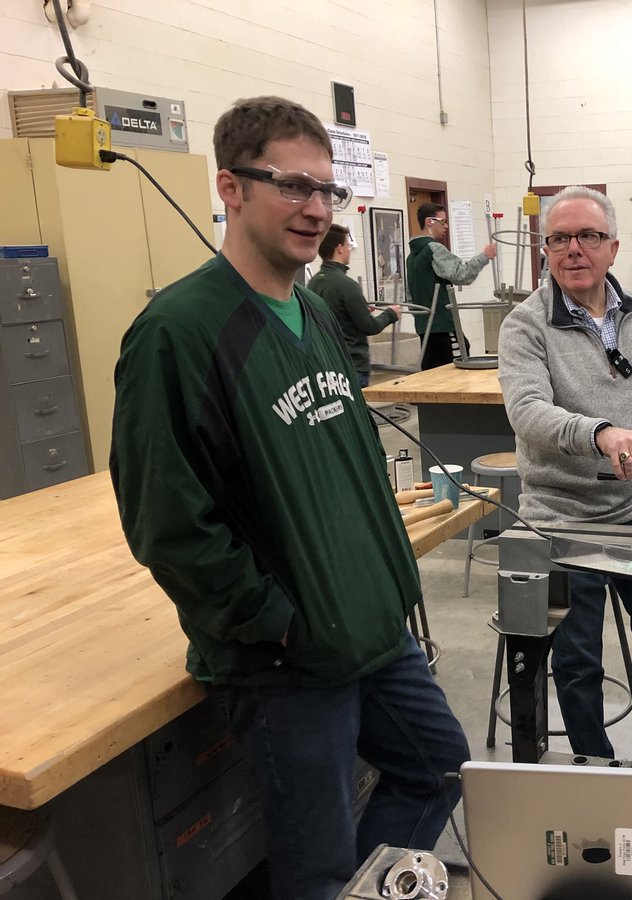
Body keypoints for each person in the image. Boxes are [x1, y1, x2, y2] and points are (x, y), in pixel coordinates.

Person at [109, 96, 470, 900]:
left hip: (372, 632)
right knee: (316, 865)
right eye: (292, 186)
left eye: (326, 191)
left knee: (441, 768)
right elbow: (165, 521)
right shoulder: (178, 331)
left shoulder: (308, 306)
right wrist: (271, 622)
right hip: (289, 665)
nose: (315, 209)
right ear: (230, 187)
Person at [497, 185, 632, 769]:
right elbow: (528, 412)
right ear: (546, 250)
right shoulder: (526, 325)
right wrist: (600, 433)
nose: (573, 249)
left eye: (587, 236)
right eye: (559, 238)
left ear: (613, 246)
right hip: (561, 519)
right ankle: (595, 767)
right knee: (579, 659)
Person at [308, 223, 403, 387]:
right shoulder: (347, 285)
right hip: (352, 364)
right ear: (339, 248)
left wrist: (359, 309)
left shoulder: (313, 283)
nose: (349, 249)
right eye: (347, 244)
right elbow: (369, 326)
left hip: (325, 364)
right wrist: (390, 314)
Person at [406, 202, 497, 369]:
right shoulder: (433, 249)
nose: (446, 226)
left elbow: (409, 296)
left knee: (431, 371)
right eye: (442, 221)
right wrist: (484, 256)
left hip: (423, 327)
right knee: (457, 365)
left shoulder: (411, 257)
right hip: (442, 325)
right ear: (429, 222)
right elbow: (461, 274)